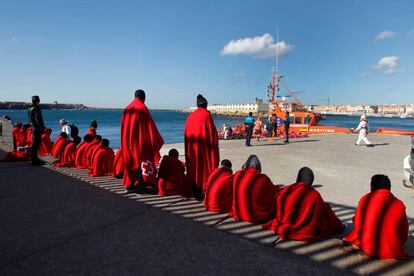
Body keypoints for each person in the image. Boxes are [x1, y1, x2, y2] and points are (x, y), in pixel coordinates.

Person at [263, 167, 344, 242]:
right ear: (311, 182)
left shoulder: (286, 190)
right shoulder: (314, 194)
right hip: (306, 232)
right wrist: (338, 225)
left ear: (297, 179)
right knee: (326, 210)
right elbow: (322, 213)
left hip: (284, 227)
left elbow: (277, 200)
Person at [343, 175, 409, 260]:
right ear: (389, 188)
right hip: (390, 248)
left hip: (366, 243)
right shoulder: (398, 203)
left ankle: (364, 245)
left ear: (372, 187)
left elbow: (357, 221)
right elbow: (403, 228)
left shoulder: (366, 198)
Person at [119, 89, 164, 193]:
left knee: (131, 162)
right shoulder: (143, 108)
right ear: (144, 98)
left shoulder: (127, 108)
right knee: (141, 163)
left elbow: (123, 127)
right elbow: (150, 127)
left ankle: (131, 185)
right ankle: (140, 186)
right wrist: (157, 140)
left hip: (128, 141)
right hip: (140, 142)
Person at [184, 94, 220, 199]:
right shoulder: (207, 116)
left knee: (194, 168)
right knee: (204, 169)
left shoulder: (190, 116)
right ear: (206, 105)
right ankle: (203, 189)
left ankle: (195, 189)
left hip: (192, 149)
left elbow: (187, 134)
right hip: (204, 150)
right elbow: (213, 136)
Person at [231, 155, 279, 223]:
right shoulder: (263, 178)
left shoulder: (238, 175)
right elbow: (274, 192)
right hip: (257, 217)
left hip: (238, 213)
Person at [28, 95, 46, 165]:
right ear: (38, 101)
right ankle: (34, 160)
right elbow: (38, 119)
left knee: (34, 144)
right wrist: (42, 128)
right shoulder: (36, 108)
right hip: (37, 128)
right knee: (36, 144)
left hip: (33, 127)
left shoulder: (29, 108)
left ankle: (34, 158)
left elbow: (30, 119)